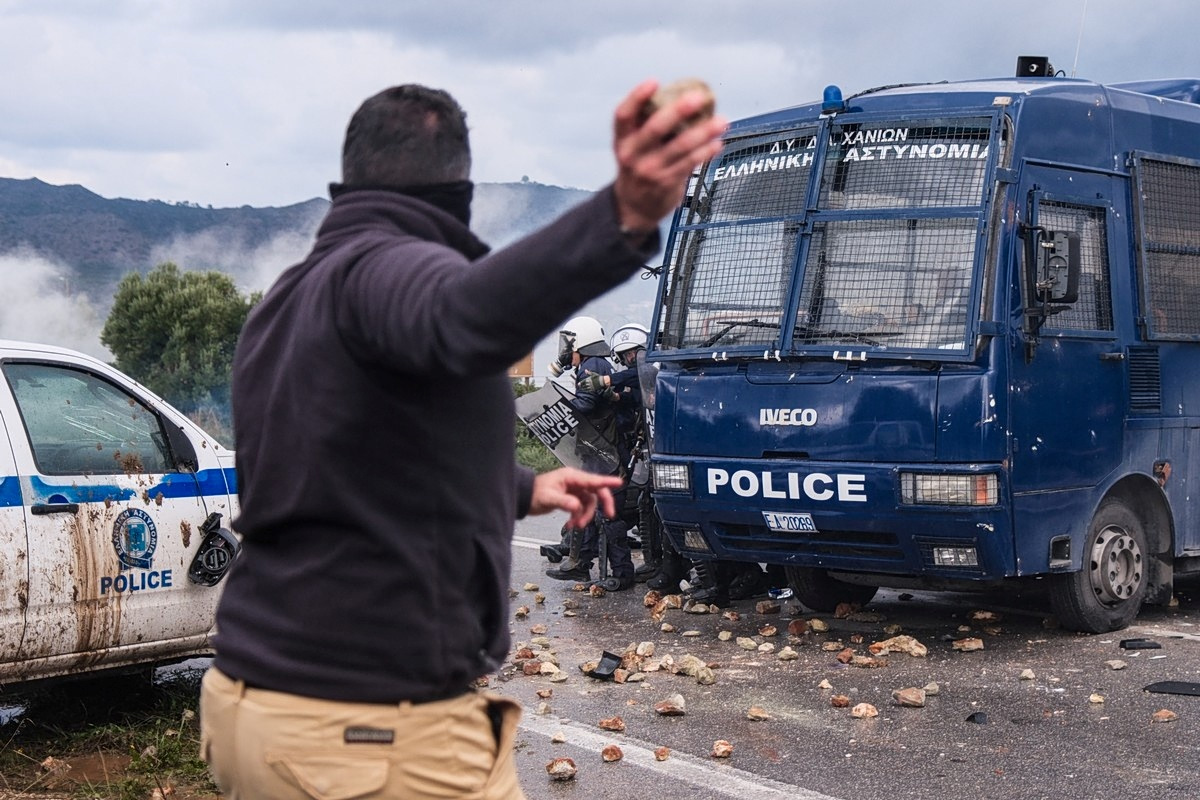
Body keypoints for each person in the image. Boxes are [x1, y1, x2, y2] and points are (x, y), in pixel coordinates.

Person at [199, 81, 726, 799]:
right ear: (458, 190)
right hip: (366, 730)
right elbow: (460, 315)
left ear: (352, 176)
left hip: (259, 706)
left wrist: (522, 487)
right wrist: (621, 216)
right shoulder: (387, 271)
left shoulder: (290, 300)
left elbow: (359, 462)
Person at [544, 316, 637, 589]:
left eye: (569, 344)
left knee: (609, 514)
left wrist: (560, 409)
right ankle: (581, 564)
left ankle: (621, 574)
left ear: (581, 343)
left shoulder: (593, 365)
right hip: (598, 451)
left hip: (606, 452)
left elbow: (585, 405)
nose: (566, 350)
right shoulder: (591, 364)